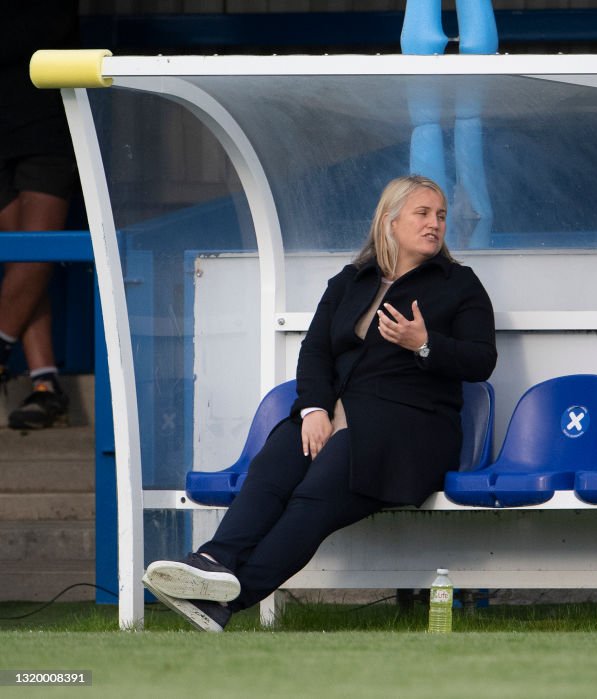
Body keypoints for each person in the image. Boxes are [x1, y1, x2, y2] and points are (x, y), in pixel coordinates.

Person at [142, 175, 497, 631]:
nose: (435, 224)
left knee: (314, 495)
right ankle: (213, 560)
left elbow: (481, 361)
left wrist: (424, 343)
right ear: (389, 221)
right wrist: (312, 410)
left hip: (409, 432)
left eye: (441, 216)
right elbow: (315, 353)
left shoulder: (459, 284)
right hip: (336, 416)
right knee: (274, 465)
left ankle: (227, 599)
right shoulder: (351, 280)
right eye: (423, 213)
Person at [0, 2, 79, 429]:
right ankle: (45, 383)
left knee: (35, 251)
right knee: (20, 262)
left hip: (46, 117)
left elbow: (45, 27)